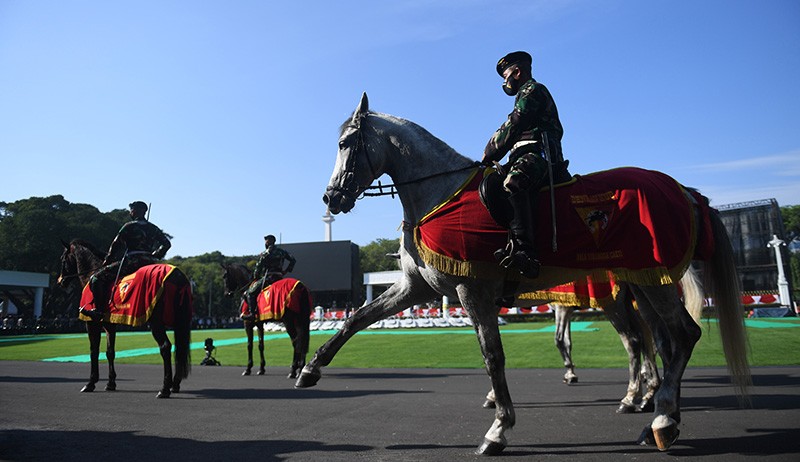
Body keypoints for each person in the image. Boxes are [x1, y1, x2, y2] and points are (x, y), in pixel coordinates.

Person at [481, 51, 571, 279]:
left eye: (506, 75)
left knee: (514, 182)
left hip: (541, 154)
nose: (504, 81)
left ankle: (527, 253)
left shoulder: (533, 90)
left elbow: (516, 121)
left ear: (518, 72)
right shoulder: (524, 94)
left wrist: (490, 151)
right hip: (523, 154)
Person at [81, 201, 171, 320]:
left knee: (96, 278)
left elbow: (115, 244)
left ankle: (99, 311)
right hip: (150, 262)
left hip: (132, 261)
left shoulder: (129, 226)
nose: (130, 212)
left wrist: (107, 260)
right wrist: (156, 255)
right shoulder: (153, 228)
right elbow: (167, 244)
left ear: (137, 210)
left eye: (132, 209)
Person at [242, 234, 296, 319]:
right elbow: (293, 260)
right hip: (279, 277)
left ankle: (252, 314)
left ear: (270, 241)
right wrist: (286, 271)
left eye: (266, 241)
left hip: (269, 277)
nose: (265, 243)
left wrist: (256, 276)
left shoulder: (265, 253)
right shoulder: (282, 252)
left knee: (250, 293)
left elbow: (258, 267)